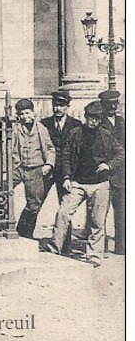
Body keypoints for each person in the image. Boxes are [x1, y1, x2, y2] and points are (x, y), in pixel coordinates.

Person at [41, 100, 124, 267]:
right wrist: (66, 177)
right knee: (63, 213)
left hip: (100, 185)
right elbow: (65, 155)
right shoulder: (75, 133)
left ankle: (94, 255)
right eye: (90, 118)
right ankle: (55, 247)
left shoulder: (106, 135)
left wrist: (108, 165)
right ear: (85, 117)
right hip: (77, 183)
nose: (93, 122)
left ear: (100, 120)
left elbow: (121, 153)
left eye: (96, 119)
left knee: (97, 222)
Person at [40, 89, 81, 252]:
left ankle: (65, 246)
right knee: (36, 202)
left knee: (65, 208)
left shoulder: (76, 125)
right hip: (48, 169)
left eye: (62, 105)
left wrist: (70, 174)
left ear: (68, 106)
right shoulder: (44, 123)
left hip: (66, 173)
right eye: (56, 104)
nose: (58, 108)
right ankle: (25, 238)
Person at [12, 98, 55, 239]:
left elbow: (50, 148)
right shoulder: (15, 128)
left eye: (27, 113)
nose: (25, 117)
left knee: (34, 202)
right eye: (22, 114)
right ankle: (0, 225)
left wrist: (48, 164)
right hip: (18, 167)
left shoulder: (41, 129)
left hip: (35, 168)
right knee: (2, 191)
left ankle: (25, 233)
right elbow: (10, 146)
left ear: (33, 112)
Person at [99, 89, 125, 255]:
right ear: (103, 105)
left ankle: (121, 247)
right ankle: (100, 247)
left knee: (122, 212)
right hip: (102, 174)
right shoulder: (97, 122)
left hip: (121, 174)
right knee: (100, 212)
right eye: (109, 104)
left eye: (115, 104)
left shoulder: (123, 121)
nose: (113, 107)